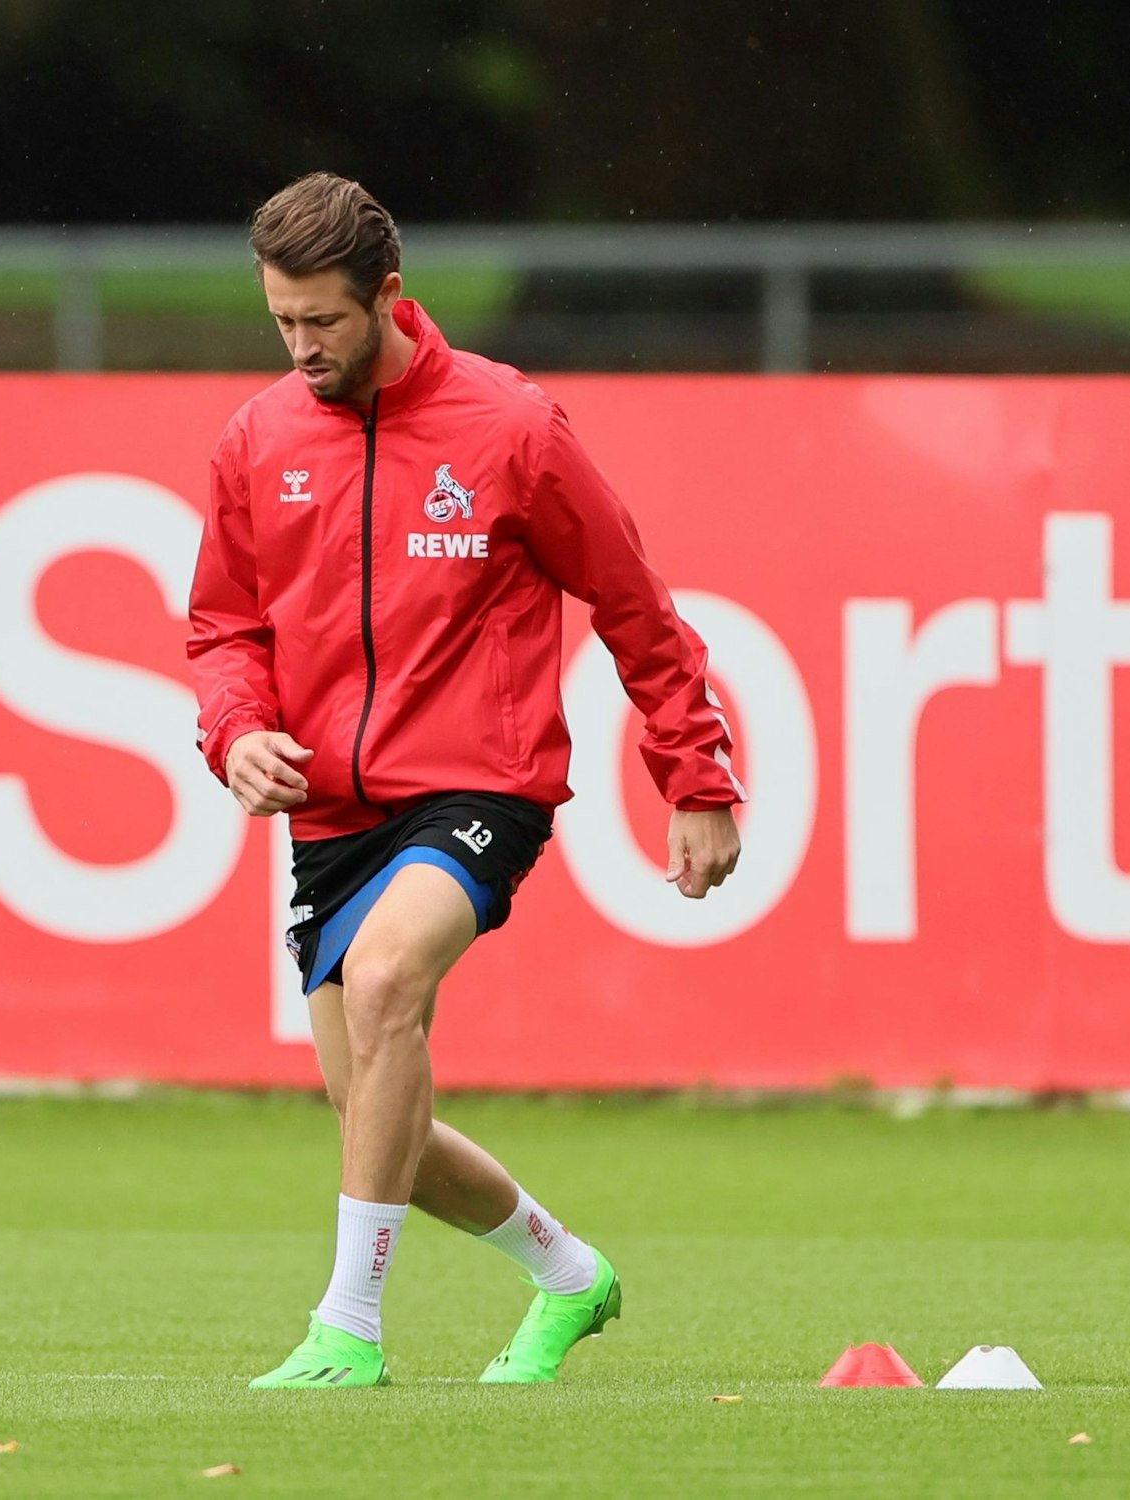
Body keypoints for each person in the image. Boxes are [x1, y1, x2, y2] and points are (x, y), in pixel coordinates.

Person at [187, 172, 743, 1390]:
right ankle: (567, 1275)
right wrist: (234, 733)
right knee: (375, 1120)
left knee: (388, 982)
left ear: (388, 297)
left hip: (479, 789)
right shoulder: (257, 438)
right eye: (281, 322)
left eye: (322, 322)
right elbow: (222, 629)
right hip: (330, 812)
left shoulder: (511, 427)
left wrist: (693, 773)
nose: (300, 348)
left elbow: (632, 603)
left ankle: (347, 1329)